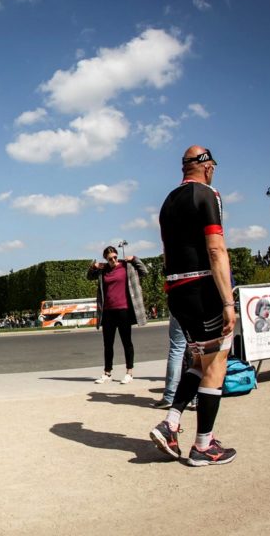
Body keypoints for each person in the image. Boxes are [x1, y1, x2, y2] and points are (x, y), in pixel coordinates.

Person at [150, 145, 238, 467]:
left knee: (199, 360)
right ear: (207, 166)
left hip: (176, 290)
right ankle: (204, 445)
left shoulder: (167, 202)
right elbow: (216, 250)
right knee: (217, 362)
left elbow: (165, 252)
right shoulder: (207, 195)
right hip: (202, 289)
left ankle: (170, 425)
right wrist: (228, 301)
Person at [86, 246, 148, 384]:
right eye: (110, 258)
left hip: (124, 310)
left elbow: (144, 272)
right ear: (105, 259)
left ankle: (129, 372)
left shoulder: (127, 266)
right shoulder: (103, 270)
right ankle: (107, 373)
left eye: (115, 257)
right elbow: (89, 276)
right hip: (108, 312)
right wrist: (94, 266)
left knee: (127, 342)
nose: (113, 260)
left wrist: (135, 259)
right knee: (108, 344)